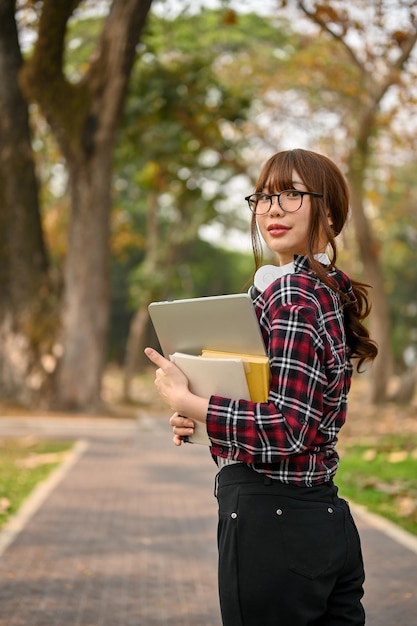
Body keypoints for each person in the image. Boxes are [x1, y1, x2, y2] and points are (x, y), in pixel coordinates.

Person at [145, 148, 378, 626]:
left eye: (292, 194)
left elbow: (288, 428)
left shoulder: (292, 293)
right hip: (320, 521)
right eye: (265, 197)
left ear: (328, 212)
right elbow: (286, 411)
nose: (273, 209)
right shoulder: (322, 289)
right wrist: (200, 418)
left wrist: (196, 402)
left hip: (273, 524)